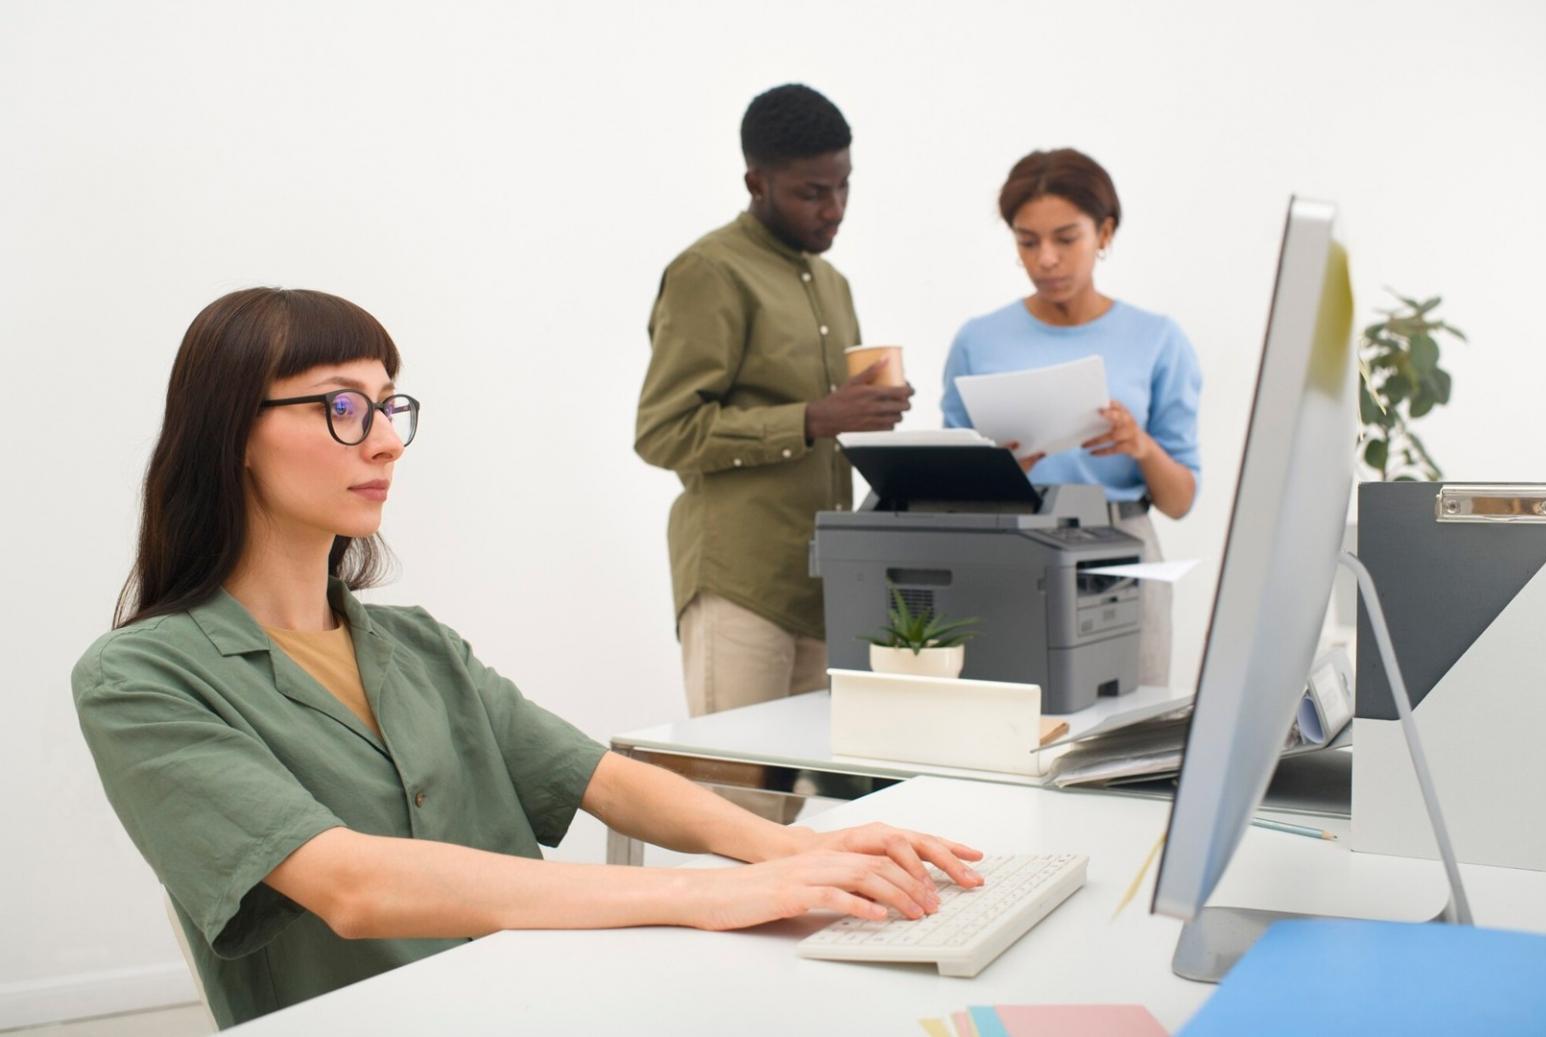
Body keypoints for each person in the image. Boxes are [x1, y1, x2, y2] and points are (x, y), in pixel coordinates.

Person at [72, 288, 980, 1028]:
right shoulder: (140, 678)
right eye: (342, 408)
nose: (386, 438)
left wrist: (794, 848)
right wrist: (695, 896)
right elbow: (349, 884)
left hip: (546, 1000)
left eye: (389, 406)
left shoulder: (415, 642)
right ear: (230, 432)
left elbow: (598, 775)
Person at [635, 83, 913, 719]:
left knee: (792, 813)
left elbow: (833, 427)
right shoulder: (710, 271)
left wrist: (872, 416)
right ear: (756, 183)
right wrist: (814, 418)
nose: (835, 208)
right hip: (740, 585)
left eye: (843, 186)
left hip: (824, 588)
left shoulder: (834, 284)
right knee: (737, 808)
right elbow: (663, 432)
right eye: (812, 193)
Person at [940, 149, 1203, 686]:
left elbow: (1180, 500)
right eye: (1027, 241)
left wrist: (1142, 446)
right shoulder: (978, 340)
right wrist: (993, 466)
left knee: (1130, 722)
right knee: (1008, 715)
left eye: (1066, 238)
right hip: (1010, 542)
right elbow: (945, 490)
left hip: (1122, 541)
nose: (1046, 260)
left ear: (1104, 233)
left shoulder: (1158, 339)